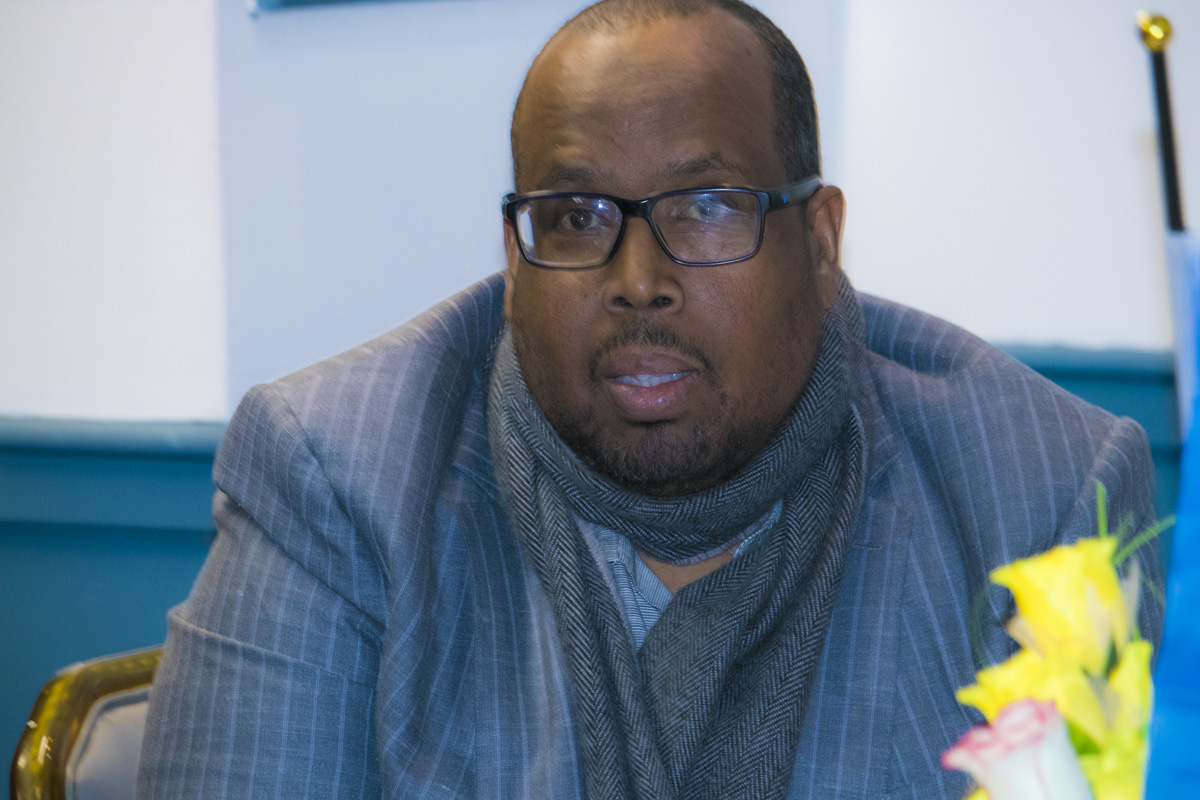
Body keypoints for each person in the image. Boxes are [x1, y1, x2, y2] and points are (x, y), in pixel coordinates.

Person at [136, 1, 1162, 798]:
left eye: (707, 207)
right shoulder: (337, 478)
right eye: (576, 216)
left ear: (820, 241)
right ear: (513, 258)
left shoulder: (1041, 500)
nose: (637, 280)